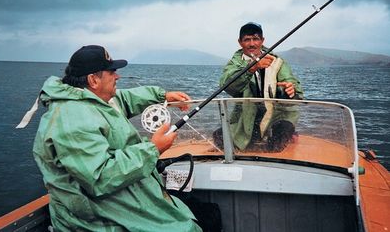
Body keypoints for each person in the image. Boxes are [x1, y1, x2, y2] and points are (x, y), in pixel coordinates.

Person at [32, 45, 202, 231]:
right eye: (112, 72)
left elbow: (124, 98)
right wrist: (153, 149)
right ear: (93, 80)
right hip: (94, 219)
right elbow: (99, 178)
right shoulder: (72, 120)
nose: (118, 76)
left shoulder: (92, 98)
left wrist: (162, 96)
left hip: (112, 201)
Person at [218, 22, 304, 151]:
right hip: (246, 117)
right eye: (247, 40)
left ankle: (289, 136)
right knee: (220, 137)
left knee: (278, 140)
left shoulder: (277, 62)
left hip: (277, 116)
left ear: (262, 40)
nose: (252, 44)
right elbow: (228, 86)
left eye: (256, 39)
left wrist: (289, 90)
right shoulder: (234, 64)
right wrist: (251, 68)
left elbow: (296, 89)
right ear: (240, 42)